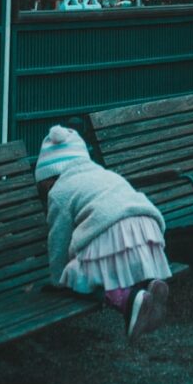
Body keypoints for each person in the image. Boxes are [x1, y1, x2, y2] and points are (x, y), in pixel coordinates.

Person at [35, 124, 172, 341]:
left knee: (78, 274)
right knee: (113, 257)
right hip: (147, 229)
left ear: (48, 177)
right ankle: (149, 285)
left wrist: (58, 278)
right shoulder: (102, 174)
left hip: (114, 227)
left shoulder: (59, 192)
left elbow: (59, 239)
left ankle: (129, 299)